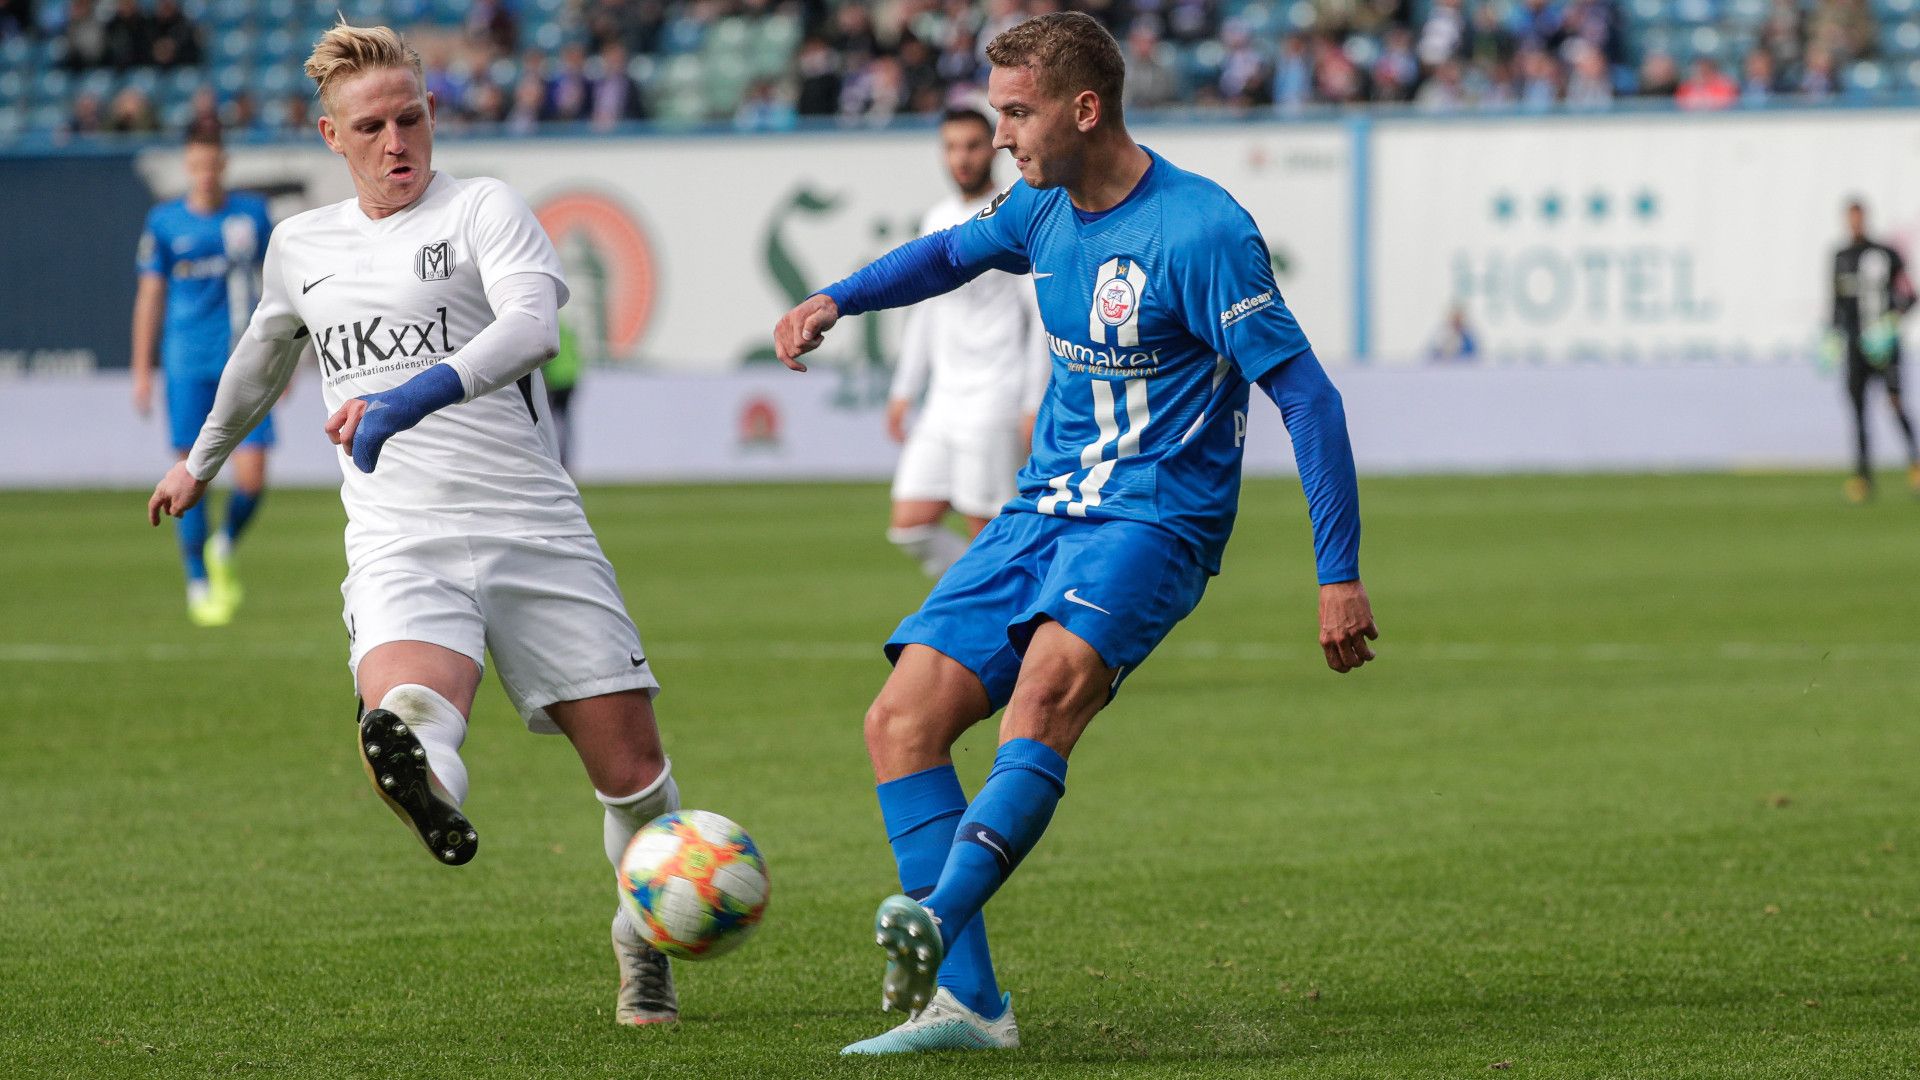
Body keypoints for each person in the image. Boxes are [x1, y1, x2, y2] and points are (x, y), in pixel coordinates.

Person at [772, 12, 1377, 1055]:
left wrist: (1338, 575)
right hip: (1039, 510)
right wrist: (836, 297)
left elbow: (1309, 399)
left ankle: (936, 916)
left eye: (1017, 112)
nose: (1001, 134)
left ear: (1083, 109)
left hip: (1154, 518)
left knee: (1045, 693)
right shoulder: (1041, 208)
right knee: (899, 723)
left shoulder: (1202, 232)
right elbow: (947, 255)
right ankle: (967, 1008)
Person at [146, 22, 683, 1027]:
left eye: (411, 118)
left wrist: (407, 398)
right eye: (372, 126)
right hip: (399, 532)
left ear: (432, 114)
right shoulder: (301, 246)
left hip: (532, 524)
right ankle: (422, 775)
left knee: (636, 780)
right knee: (410, 709)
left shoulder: (483, 206)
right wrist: (198, 460)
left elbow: (533, 326)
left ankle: (642, 937)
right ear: (329, 136)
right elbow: (263, 356)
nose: (397, 141)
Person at [886, 107, 1050, 579]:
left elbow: (1039, 317)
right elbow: (925, 310)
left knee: (990, 528)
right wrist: (904, 390)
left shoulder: (1012, 216)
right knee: (910, 524)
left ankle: (1003, 621)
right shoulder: (937, 217)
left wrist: (1031, 401)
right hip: (943, 400)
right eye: (952, 147)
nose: (962, 158)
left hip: (996, 395)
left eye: (973, 145)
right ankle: (989, 597)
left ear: (994, 148)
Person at [133, 127, 276, 627]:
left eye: (214, 163)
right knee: (188, 474)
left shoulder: (251, 216)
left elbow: (278, 288)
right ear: (187, 166)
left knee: (253, 478)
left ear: (225, 163)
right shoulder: (165, 222)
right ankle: (196, 578)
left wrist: (288, 356)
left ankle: (223, 544)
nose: (207, 173)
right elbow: (150, 296)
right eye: (198, 164)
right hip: (187, 365)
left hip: (245, 364)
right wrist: (142, 369)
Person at [1830, 198, 1919, 501]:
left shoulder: (1884, 254)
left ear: (1865, 219)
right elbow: (1837, 303)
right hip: (1855, 347)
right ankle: (1862, 476)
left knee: (1895, 403)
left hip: (1883, 344)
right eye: (1850, 218)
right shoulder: (1840, 257)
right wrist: (1832, 336)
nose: (1855, 223)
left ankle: (1915, 463)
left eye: (1859, 218)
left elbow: (1910, 295)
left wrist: (1892, 321)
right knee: (1858, 411)